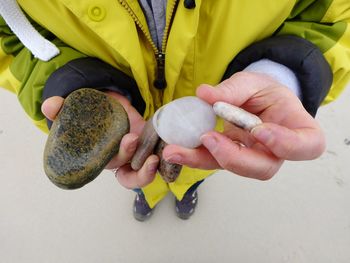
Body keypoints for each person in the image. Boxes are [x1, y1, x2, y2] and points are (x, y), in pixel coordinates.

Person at [0, 0, 349, 221]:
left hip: (217, 133)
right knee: (142, 173)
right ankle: (147, 196)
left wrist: (279, 76)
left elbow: (333, 14)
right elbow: (13, 36)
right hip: (132, 141)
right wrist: (81, 89)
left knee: (195, 169)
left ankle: (187, 190)